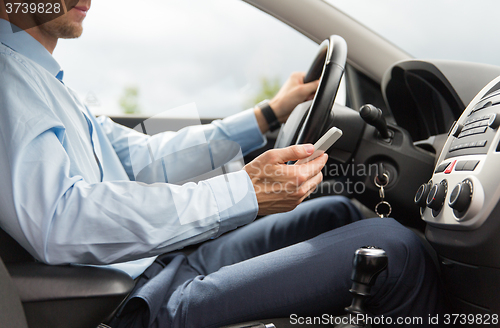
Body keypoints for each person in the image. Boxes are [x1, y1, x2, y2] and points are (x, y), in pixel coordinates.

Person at [0, 1, 443, 327]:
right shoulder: (8, 80)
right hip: (133, 303)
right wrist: (247, 191)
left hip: (161, 265)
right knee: (396, 251)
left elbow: (145, 157)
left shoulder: (49, 84)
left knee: (336, 211)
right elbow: (61, 221)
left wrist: (268, 114)